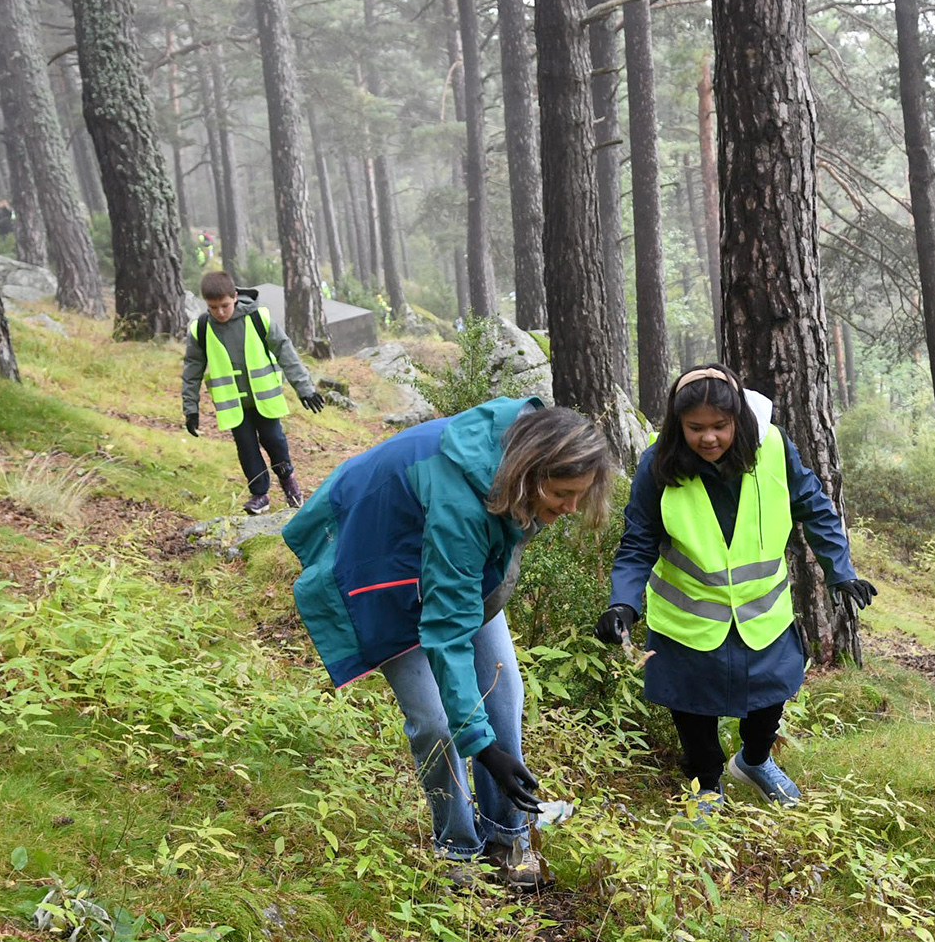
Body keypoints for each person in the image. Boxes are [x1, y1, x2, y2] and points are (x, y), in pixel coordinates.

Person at [285, 400, 616, 887]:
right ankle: (458, 849)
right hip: (379, 566)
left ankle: (507, 835)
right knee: (437, 723)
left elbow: (468, 583)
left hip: (442, 562)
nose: (569, 509)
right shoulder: (461, 503)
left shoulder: (519, 448)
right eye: (563, 495)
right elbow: (447, 631)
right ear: (529, 474)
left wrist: (488, 742)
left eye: (578, 496)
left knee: (503, 692)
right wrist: (483, 747)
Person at [597, 366, 876, 815]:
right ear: (677, 425)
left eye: (720, 426)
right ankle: (706, 784)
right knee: (692, 709)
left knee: (770, 697)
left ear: (739, 420)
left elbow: (816, 508)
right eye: (695, 428)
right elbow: (638, 540)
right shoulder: (657, 463)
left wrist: (839, 571)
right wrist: (623, 602)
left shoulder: (773, 448)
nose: (709, 438)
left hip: (761, 613)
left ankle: (754, 761)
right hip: (689, 620)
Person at [181, 270, 324, 514]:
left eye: (225, 305)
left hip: (265, 400)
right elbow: (191, 371)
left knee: (275, 441)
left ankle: (288, 480)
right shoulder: (201, 329)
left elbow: (285, 352)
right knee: (246, 448)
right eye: (213, 307)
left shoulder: (259, 317)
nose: (220, 312)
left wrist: (305, 389)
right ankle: (259, 495)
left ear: (235, 297)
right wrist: (190, 409)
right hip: (233, 405)